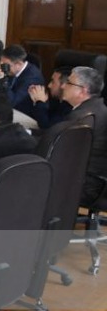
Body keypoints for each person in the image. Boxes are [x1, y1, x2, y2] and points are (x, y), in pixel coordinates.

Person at [64, 66, 107, 207]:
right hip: (95, 181)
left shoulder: (82, 117)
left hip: (83, 185)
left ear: (83, 90)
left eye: (69, 83)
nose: (63, 86)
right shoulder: (99, 108)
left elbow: (63, 153)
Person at [0, 44, 45, 111]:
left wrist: (1, 79)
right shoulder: (13, 71)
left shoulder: (32, 77)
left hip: (24, 112)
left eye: (5, 65)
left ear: (19, 64)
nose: (2, 68)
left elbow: (13, 102)